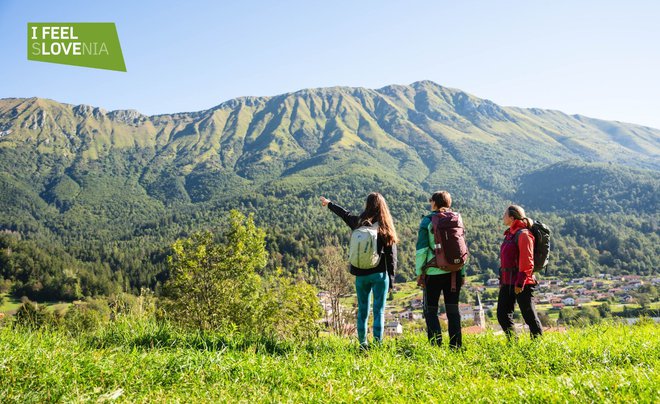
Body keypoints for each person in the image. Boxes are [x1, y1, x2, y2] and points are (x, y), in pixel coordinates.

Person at [320, 193, 398, 348]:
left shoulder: (358, 223)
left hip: (360, 274)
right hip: (380, 274)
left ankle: (363, 344)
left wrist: (329, 204)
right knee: (379, 311)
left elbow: (344, 214)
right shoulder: (385, 227)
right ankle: (377, 345)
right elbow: (391, 257)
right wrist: (391, 279)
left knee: (363, 311)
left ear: (367, 205)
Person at [415, 190, 465, 349]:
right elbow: (461, 248)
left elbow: (421, 250)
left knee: (430, 311)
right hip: (454, 272)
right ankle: (456, 346)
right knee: (453, 310)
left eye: (431, 202)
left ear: (434, 203)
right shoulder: (456, 219)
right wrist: (461, 272)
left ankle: (436, 346)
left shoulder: (427, 221)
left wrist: (419, 273)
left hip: (433, 273)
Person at [497, 204, 543, 339]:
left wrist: (520, 282)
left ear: (512, 217)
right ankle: (513, 343)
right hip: (507, 281)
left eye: (504, 214)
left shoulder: (524, 234)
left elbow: (527, 260)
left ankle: (538, 344)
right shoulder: (510, 234)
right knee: (502, 315)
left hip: (522, 282)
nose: (502, 217)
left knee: (529, 315)